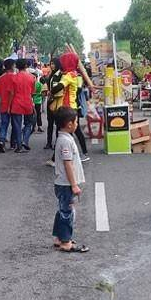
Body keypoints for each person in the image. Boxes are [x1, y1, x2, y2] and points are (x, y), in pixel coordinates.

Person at [52, 106, 89, 253]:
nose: (77, 124)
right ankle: (66, 242)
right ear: (69, 124)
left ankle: (59, 237)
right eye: (76, 122)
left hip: (63, 183)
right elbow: (68, 164)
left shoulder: (65, 138)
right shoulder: (65, 141)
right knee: (67, 211)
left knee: (62, 210)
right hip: (66, 183)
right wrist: (74, 185)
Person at [10, 59, 35, 153]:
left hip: (16, 103)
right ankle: (25, 140)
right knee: (28, 123)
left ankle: (19, 145)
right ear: (26, 66)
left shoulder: (14, 78)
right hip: (28, 102)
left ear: (17, 66)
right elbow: (33, 92)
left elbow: (12, 93)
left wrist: (9, 105)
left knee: (17, 125)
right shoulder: (32, 77)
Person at [0, 59, 16, 153]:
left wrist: (0, 106)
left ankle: (1, 141)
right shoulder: (15, 77)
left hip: (2, 104)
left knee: (4, 125)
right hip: (13, 105)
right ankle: (13, 143)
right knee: (15, 124)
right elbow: (12, 92)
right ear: (12, 66)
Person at [45, 58, 62, 150]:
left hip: (57, 101)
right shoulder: (51, 75)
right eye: (50, 64)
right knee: (50, 123)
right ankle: (49, 143)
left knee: (58, 124)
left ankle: (57, 143)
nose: (51, 66)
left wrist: (51, 92)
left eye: (53, 64)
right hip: (50, 101)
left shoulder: (60, 75)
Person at [31, 68, 44, 133]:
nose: (33, 79)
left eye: (34, 77)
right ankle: (32, 127)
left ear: (36, 78)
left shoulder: (39, 84)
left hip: (38, 101)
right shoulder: (30, 84)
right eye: (32, 77)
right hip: (31, 102)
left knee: (38, 114)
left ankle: (39, 126)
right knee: (31, 115)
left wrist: (34, 94)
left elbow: (42, 93)